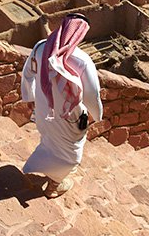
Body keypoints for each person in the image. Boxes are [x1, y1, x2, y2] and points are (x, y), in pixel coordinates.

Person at [20, 13, 102, 198]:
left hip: (43, 109)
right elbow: (92, 94)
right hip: (69, 117)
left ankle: (45, 167)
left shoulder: (41, 47)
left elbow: (28, 74)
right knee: (71, 154)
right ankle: (55, 185)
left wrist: (30, 97)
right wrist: (96, 115)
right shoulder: (82, 60)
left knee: (49, 140)